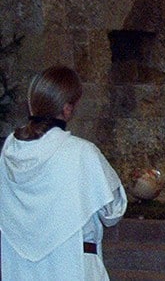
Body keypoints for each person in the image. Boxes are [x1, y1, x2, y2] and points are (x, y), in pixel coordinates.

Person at [0, 65, 127, 279]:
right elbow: (113, 212)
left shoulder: (9, 152)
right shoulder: (81, 153)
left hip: (20, 268)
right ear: (67, 108)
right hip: (73, 263)